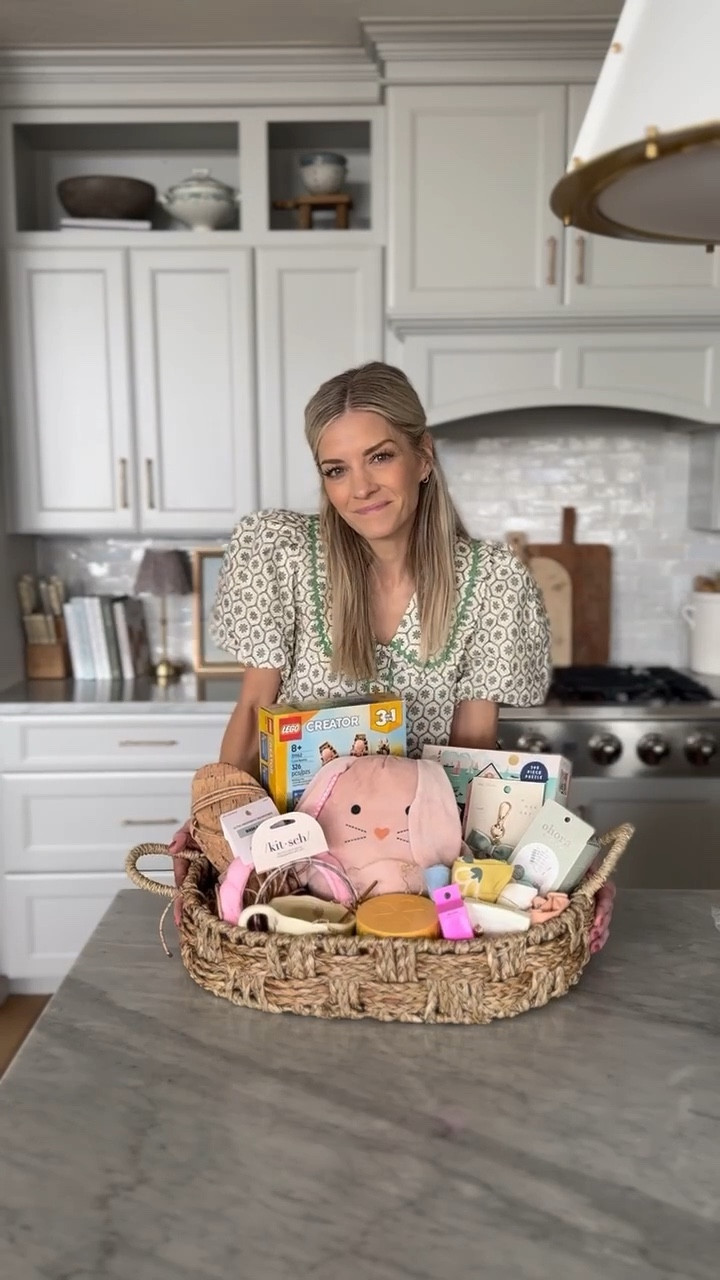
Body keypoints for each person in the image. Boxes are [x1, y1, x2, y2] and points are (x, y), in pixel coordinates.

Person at [169, 361, 612, 950]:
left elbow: (471, 752)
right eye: (336, 469)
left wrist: (487, 890)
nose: (360, 488)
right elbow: (255, 709)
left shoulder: (492, 580)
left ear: (423, 457)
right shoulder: (280, 553)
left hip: (418, 870)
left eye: (379, 457)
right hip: (295, 868)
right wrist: (220, 830)